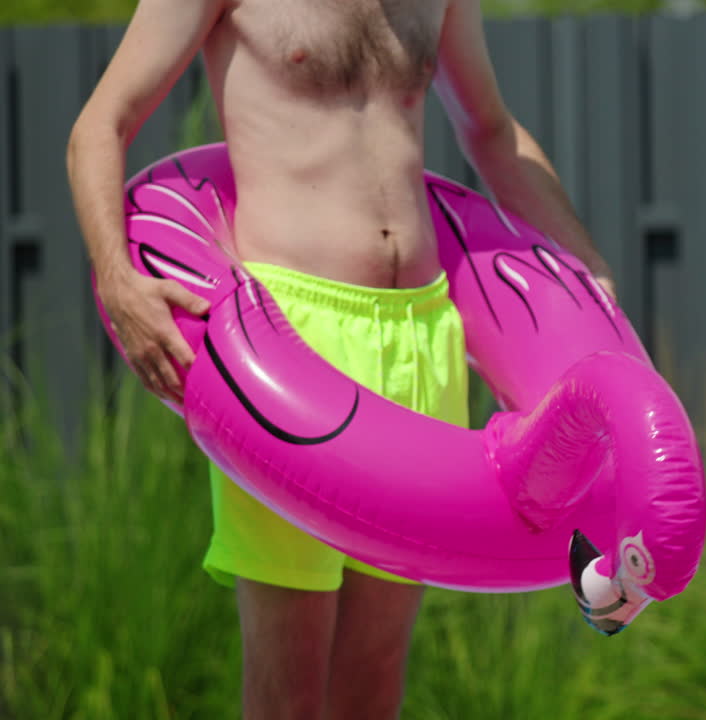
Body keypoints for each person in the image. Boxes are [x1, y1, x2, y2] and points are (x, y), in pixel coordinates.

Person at [66, 0, 614, 717]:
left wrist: (586, 268)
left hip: (419, 334)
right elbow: (99, 127)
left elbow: (490, 129)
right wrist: (117, 277)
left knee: (376, 678)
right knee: (289, 687)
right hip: (290, 348)